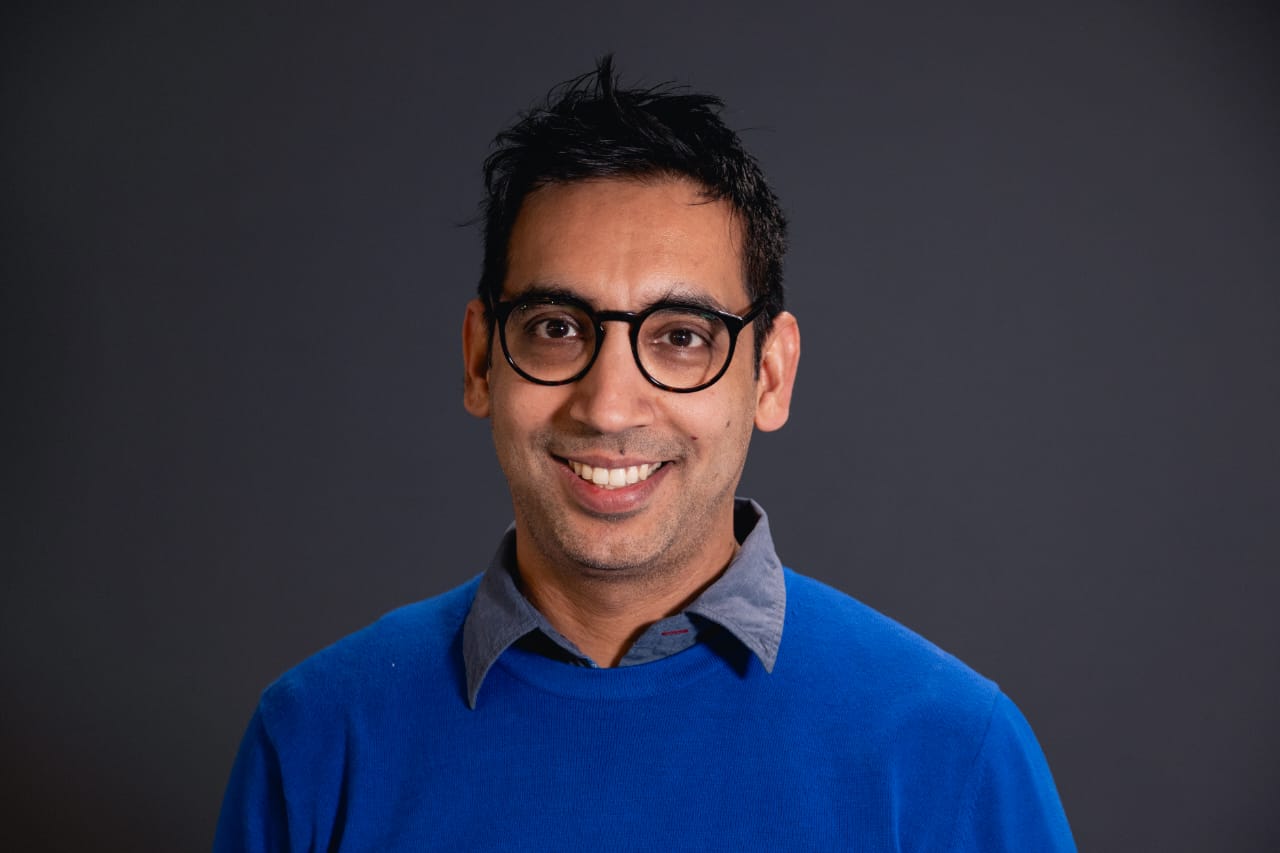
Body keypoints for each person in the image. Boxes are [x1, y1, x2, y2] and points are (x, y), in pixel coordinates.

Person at [214, 57, 1075, 851]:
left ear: (770, 375)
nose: (611, 404)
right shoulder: (318, 738)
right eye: (556, 329)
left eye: (682, 337)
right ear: (481, 359)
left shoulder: (952, 752)